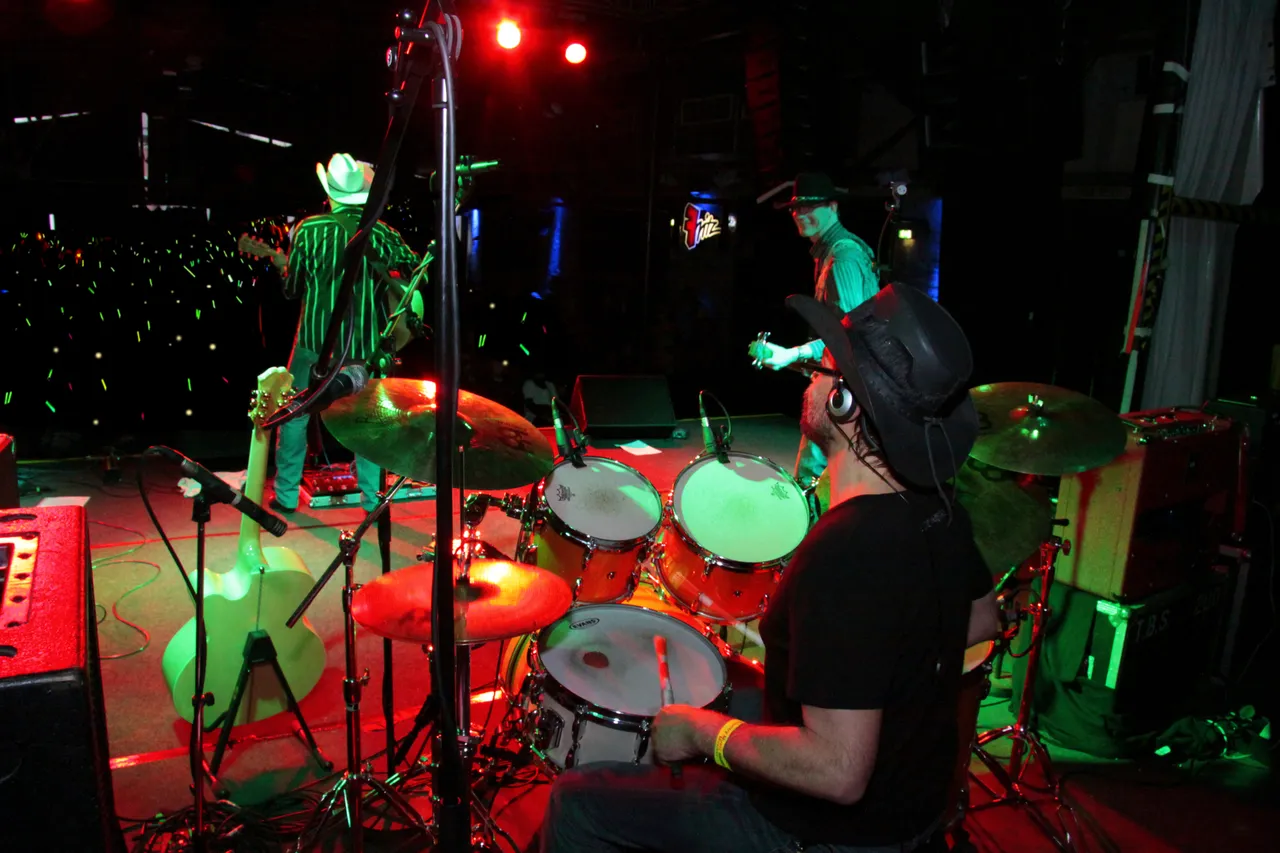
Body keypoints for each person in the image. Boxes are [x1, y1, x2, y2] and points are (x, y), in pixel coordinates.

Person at [542, 284, 1000, 853]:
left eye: (824, 370)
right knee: (725, 685)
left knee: (576, 803)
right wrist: (880, 671)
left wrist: (706, 735)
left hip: (827, 836)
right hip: (913, 809)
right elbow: (983, 618)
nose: (809, 379)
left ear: (846, 404)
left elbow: (838, 771)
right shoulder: (940, 510)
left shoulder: (846, 552)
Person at [269, 153, 424, 514]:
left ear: (330, 192)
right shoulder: (383, 232)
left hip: (314, 343)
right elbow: (417, 275)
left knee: (295, 415)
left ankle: (287, 495)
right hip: (365, 348)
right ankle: (373, 501)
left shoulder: (308, 229)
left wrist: (282, 268)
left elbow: (293, 289)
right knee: (369, 423)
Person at [750, 172, 880, 487]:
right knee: (826, 482)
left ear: (833, 207)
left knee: (811, 482)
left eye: (810, 207)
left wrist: (794, 354)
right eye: (796, 208)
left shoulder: (843, 256)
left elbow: (850, 334)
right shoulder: (828, 253)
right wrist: (787, 357)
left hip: (846, 391)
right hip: (843, 385)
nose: (800, 214)